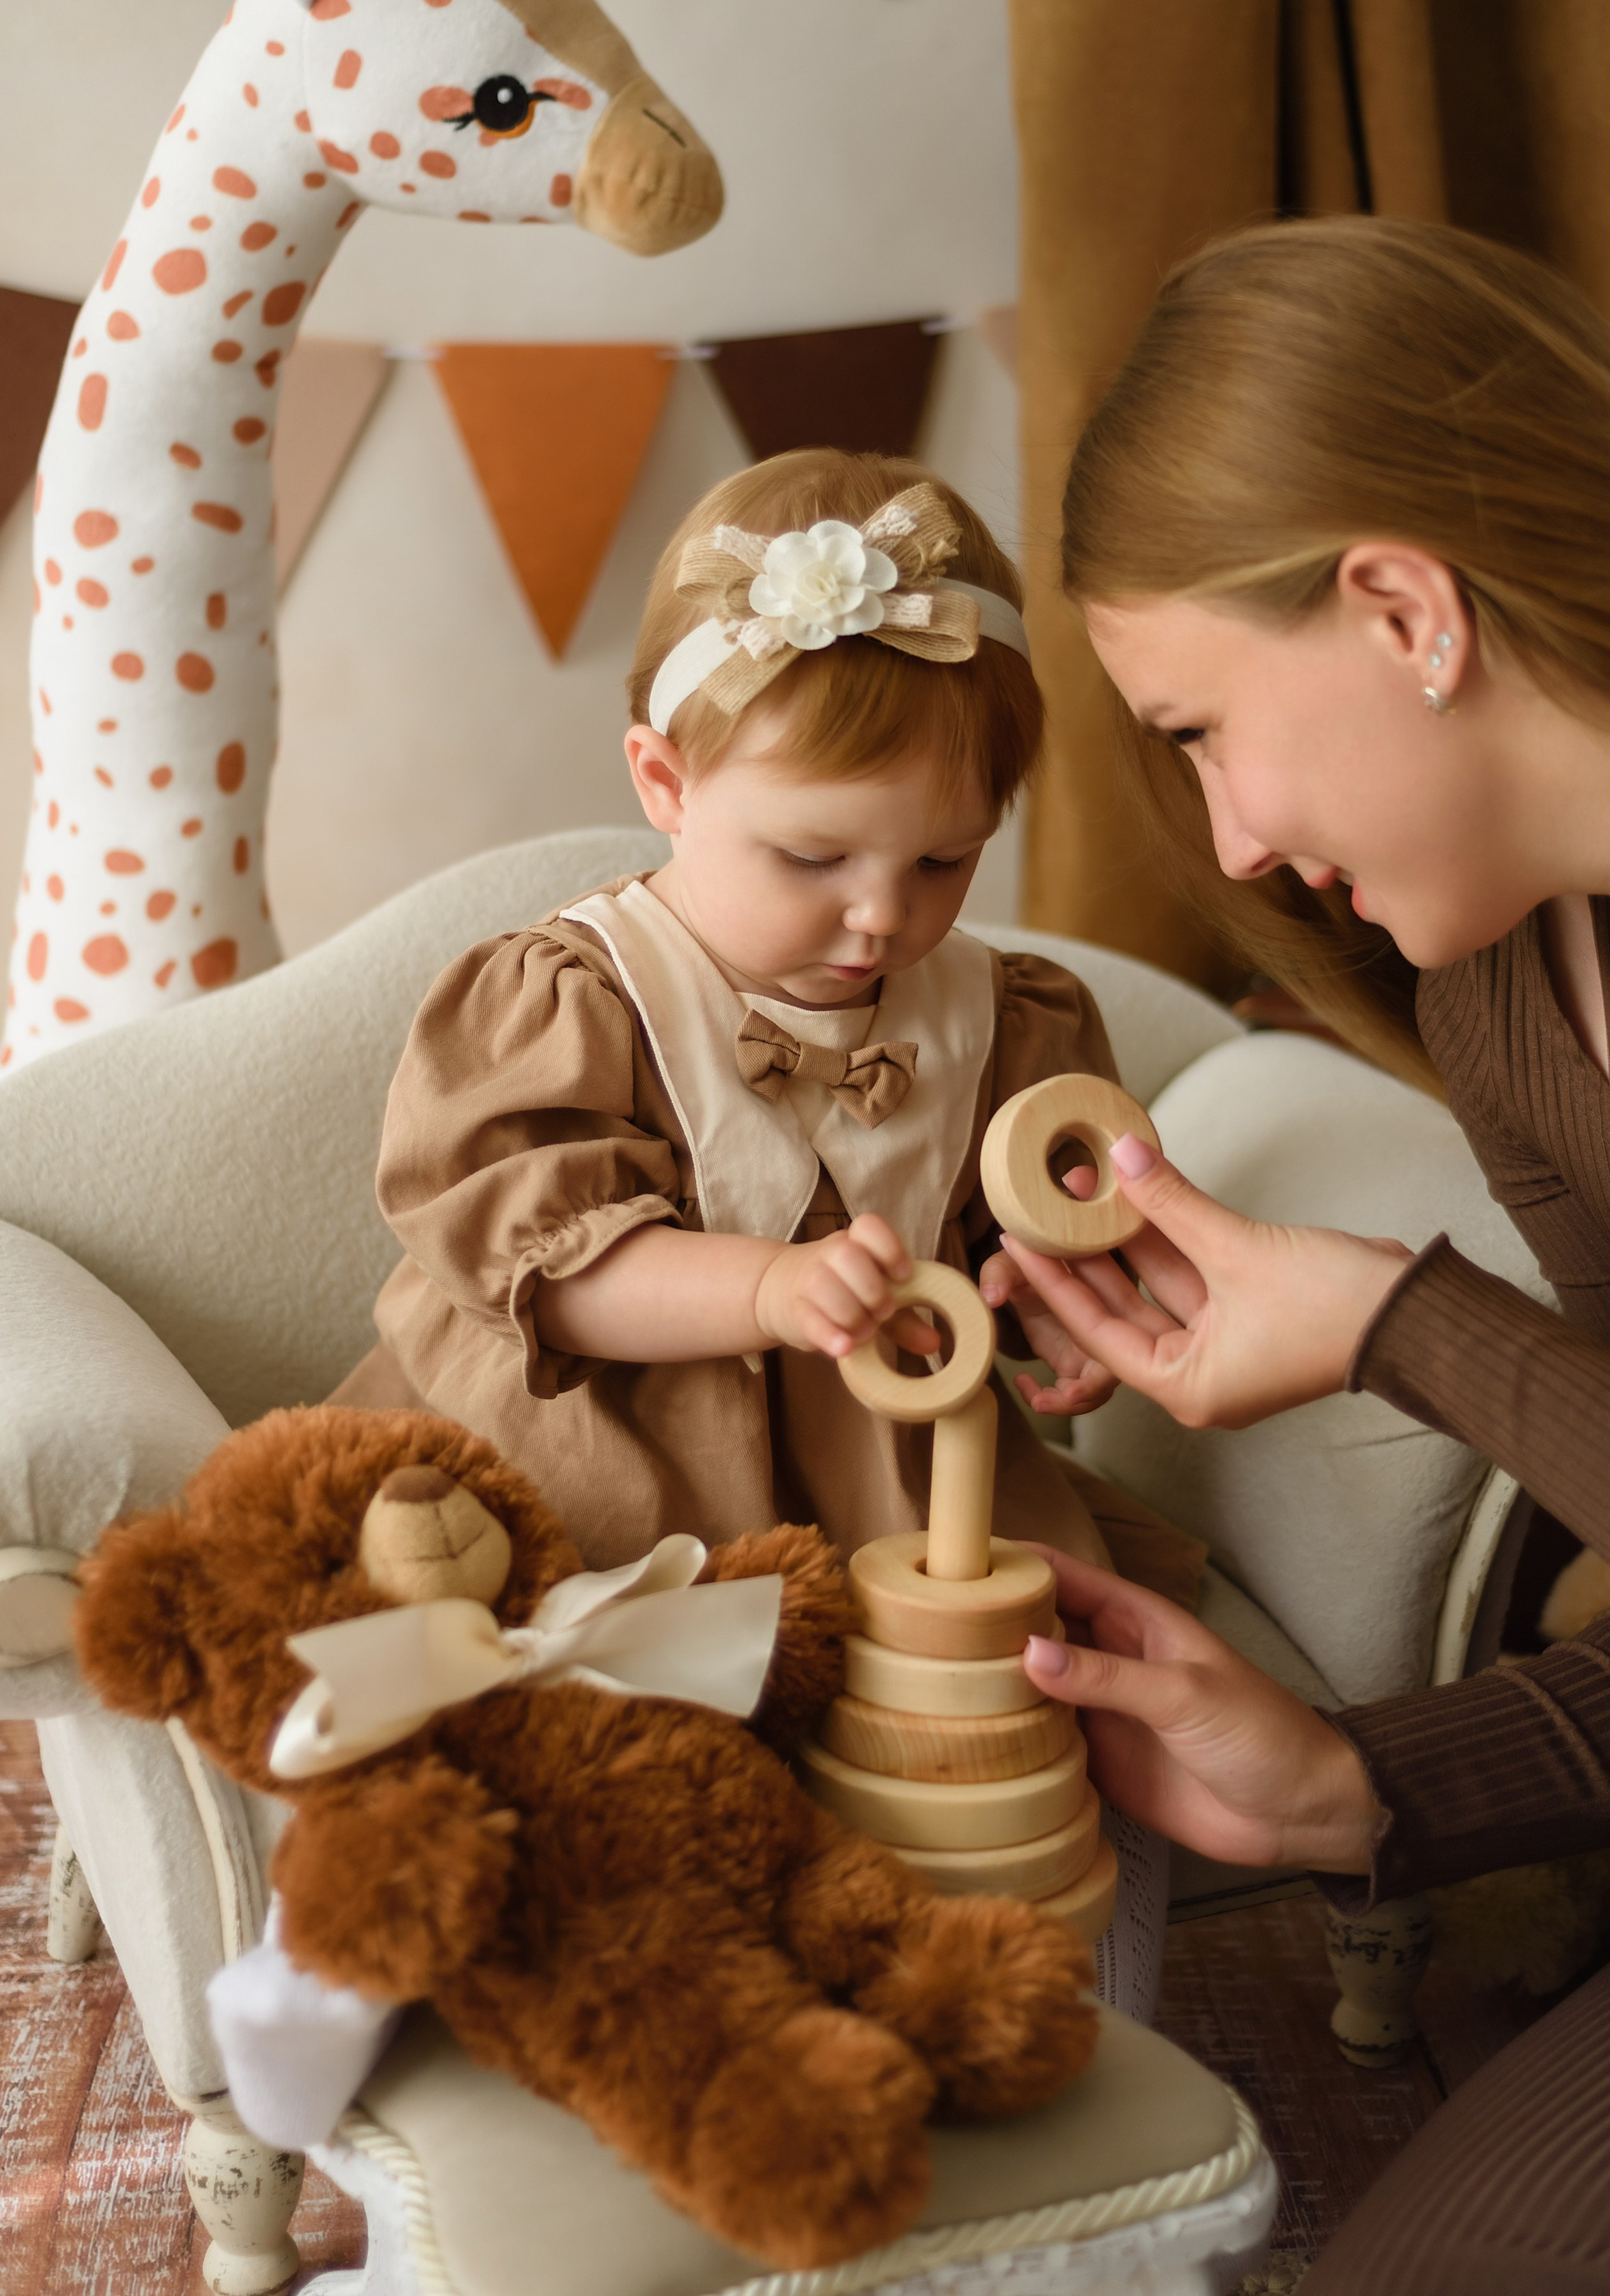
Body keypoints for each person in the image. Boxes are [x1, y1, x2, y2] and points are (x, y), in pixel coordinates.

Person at [978, 215, 1610, 2290]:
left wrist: (1416, 1328)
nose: (1227, 842)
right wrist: (1344, 1787)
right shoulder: (1522, 988)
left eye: (1206, 726)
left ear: (1403, 606)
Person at [332, 445, 1198, 2019]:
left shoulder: (1011, 1013)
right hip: (625, 1438)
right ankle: (647, 1973)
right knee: (589, 1693)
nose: (880, 914)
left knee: (1029, 1690)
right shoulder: (576, 994)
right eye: (814, 858)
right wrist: (768, 1284)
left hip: (900, 1471)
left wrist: (1062, 1313)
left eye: (942, 858)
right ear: (665, 785)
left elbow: (1048, 1217)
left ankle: (1014, 1962)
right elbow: (557, 1271)